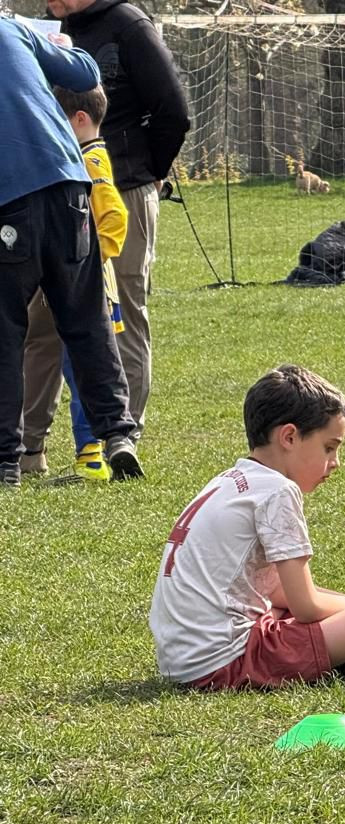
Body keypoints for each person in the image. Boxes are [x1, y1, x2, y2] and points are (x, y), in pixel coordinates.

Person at [148, 366, 345, 690]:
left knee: (332, 613)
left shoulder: (229, 481)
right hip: (227, 662)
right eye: (329, 447)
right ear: (289, 437)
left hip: (183, 661)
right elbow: (306, 606)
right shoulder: (277, 491)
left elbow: (275, 592)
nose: (336, 462)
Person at [0, 16, 142, 487]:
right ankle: (117, 433)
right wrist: (58, 43)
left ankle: (5, 461)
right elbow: (85, 73)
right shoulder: (11, 30)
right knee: (86, 318)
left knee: (6, 333)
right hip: (69, 185)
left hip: (8, 198)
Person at [45, 0, 192, 448]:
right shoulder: (51, 26)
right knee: (43, 318)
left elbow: (173, 110)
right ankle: (31, 443)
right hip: (55, 191)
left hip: (123, 191)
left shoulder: (130, 25)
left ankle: (122, 436)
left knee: (120, 313)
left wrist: (148, 171)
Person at [22, 82, 126, 482]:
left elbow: (114, 216)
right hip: (76, 280)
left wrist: (89, 259)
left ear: (79, 119)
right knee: (71, 363)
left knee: (81, 366)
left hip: (88, 285)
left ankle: (92, 453)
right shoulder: (85, 156)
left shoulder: (91, 161)